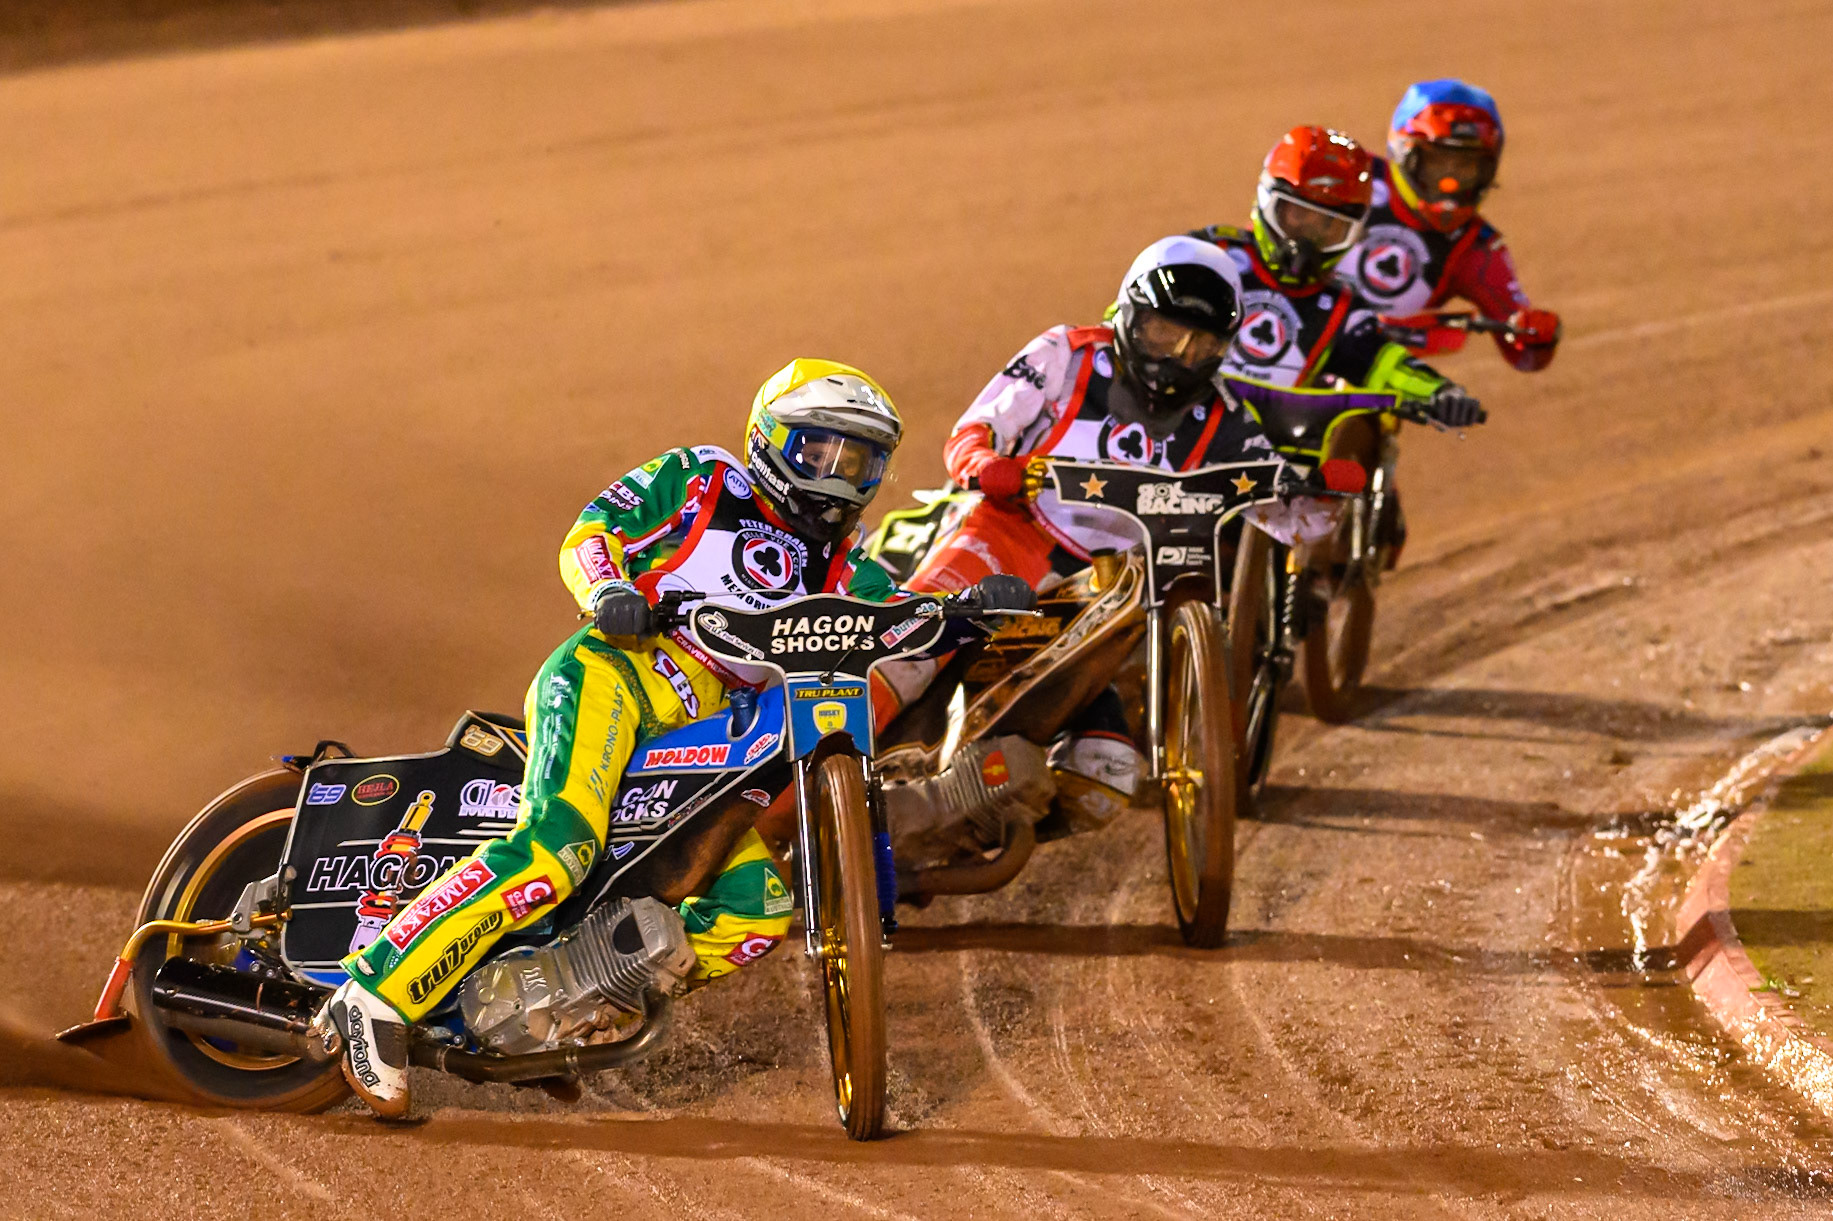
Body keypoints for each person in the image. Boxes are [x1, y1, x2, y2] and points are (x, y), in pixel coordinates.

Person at [316, 359, 1027, 1118]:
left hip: (702, 739)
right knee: (557, 850)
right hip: (612, 677)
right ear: (771, 438)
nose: (835, 474)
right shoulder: (704, 478)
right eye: (818, 449)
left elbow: (898, 611)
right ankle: (373, 993)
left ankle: (562, 999)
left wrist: (966, 609)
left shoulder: (845, 564)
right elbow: (593, 531)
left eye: (857, 460)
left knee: (756, 907)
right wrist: (609, 591)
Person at [878, 236, 1393, 852]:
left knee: (1105, 776)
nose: (1177, 357)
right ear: (1125, 314)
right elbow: (976, 429)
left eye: (1199, 344)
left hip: (1117, 587)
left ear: (1223, 349)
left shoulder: (1223, 418)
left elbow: (1290, 519)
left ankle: (974, 823)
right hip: (1012, 536)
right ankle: (805, 790)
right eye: (1161, 333)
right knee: (903, 651)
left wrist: (1321, 496)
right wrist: (986, 462)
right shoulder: (1066, 356)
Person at [1191, 124, 1483, 425]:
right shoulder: (1209, 256)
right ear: (1268, 201)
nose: (1306, 242)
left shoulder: (1341, 310)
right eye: (1299, 215)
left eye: (1328, 227)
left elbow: (1384, 363)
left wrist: (1439, 392)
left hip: (1266, 463)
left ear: (1354, 234)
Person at [1335, 79, 1562, 371]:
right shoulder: (1346, 178)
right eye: (1436, 165)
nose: (1449, 184)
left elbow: (1525, 355)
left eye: (1466, 168)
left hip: (1368, 380)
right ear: (1405, 154)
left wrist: (1539, 338)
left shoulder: (1476, 251)